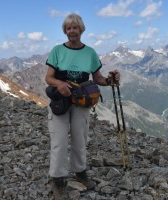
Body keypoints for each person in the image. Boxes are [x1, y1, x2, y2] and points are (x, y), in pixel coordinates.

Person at [45, 13, 120, 200]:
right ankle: (58, 179)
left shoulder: (90, 53)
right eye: (68, 28)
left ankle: (80, 172)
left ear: (81, 30)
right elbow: (49, 78)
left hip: (81, 103)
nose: (72, 31)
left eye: (75, 27)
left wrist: (111, 80)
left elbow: (98, 79)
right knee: (59, 142)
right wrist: (59, 84)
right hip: (60, 103)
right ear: (65, 31)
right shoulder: (57, 51)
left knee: (80, 139)